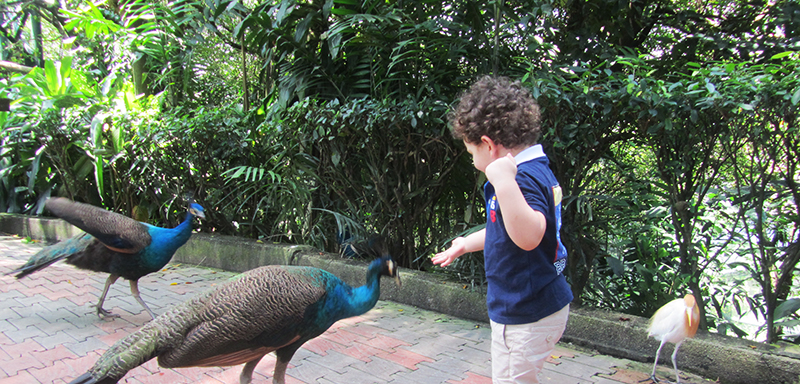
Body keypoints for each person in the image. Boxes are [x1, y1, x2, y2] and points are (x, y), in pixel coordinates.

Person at [432, 75, 573, 384]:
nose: (472, 162)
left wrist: (504, 181)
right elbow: (507, 229)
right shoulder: (529, 171)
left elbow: (529, 235)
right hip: (535, 306)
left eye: (472, 154)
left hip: (526, 312)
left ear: (488, 145)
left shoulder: (519, 178)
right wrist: (466, 244)